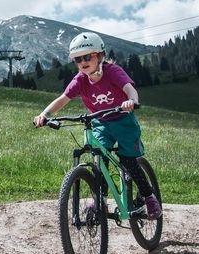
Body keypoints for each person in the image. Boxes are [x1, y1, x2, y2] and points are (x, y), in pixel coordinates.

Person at [33, 32, 162, 219]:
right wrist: (44, 114)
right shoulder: (80, 79)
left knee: (128, 161)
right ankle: (99, 198)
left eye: (87, 57)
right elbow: (63, 99)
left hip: (123, 120)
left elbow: (129, 89)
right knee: (99, 158)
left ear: (100, 55)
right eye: (78, 59)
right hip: (101, 122)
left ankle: (148, 196)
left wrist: (131, 101)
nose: (83, 62)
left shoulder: (113, 72)